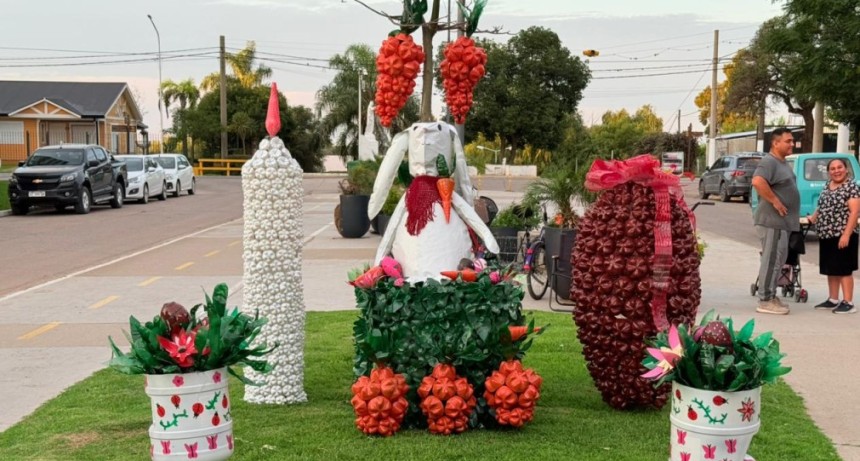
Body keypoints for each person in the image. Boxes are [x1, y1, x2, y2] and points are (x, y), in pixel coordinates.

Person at [751, 128, 800, 315]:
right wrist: (775, 201)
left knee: (778, 260)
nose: (792, 144)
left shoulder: (783, 163)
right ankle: (765, 299)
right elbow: (757, 181)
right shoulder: (769, 162)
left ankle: (771, 295)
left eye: (792, 140)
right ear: (775, 143)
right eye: (788, 141)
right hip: (772, 221)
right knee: (771, 260)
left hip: (782, 223)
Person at [807, 158, 860, 314]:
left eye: (839, 167)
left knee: (844, 269)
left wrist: (846, 235)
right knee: (831, 268)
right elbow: (822, 206)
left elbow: (855, 212)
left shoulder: (851, 187)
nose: (836, 171)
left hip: (842, 234)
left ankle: (848, 302)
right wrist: (814, 217)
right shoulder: (827, 185)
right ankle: (833, 299)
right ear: (828, 172)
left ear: (846, 169)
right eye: (833, 168)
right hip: (826, 234)